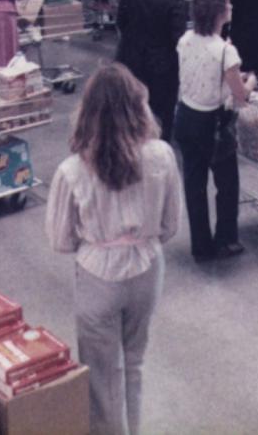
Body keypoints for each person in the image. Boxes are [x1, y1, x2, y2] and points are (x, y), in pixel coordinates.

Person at [45, 64, 182, 435]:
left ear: (87, 113)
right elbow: (171, 226)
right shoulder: (162, 155)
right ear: (140, 107)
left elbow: (59, 240)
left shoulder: (72, 170)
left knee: (102, 377)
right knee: (134, 362)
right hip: (148, 268)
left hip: (97, 274)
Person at [174, 0, 253, 261]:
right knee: (227, 183)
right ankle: (226, 240)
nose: (231, 7)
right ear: (219, 12)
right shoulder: (225, 52)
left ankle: (201, 246)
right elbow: (240, 96)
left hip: (185, 116)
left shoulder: (184, 39)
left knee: (194, 184)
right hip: (214, 123)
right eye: (228, 4)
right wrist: (250, 81)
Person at [116, 0, 190, 140]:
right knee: (161, 112)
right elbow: (178, 39)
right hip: (161, 67)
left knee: (130, 105)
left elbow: (120, 21)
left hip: (129, 57)